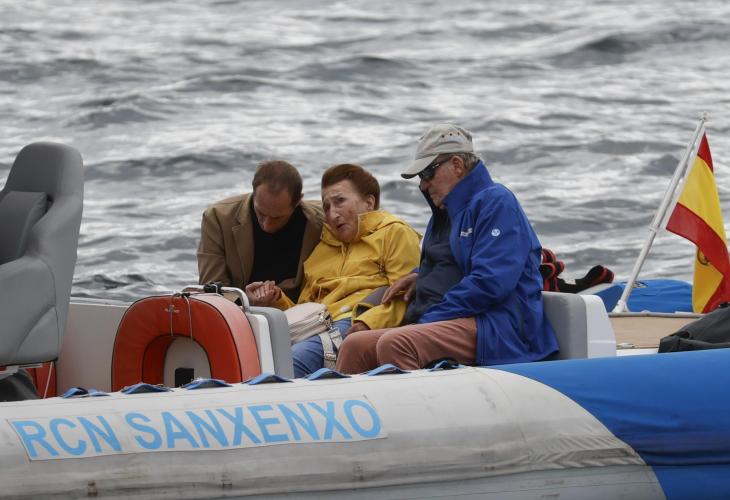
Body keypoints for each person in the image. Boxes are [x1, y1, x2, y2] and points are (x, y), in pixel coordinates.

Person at [335, 124, 559, 373]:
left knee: (397, 343)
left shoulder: (497, 202)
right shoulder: (444, 213)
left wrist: (428, 320)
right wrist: (420, 275)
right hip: (459, 319)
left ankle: (417, 397)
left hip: (499, 327)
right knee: (355, 345)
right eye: (420, 177)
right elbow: (451, 259)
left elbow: (490, 283)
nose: (423, 185)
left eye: (427, 173)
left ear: (457, 165)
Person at [246, 164, 421, 377]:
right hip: (317, 327)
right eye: (326, 206)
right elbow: (306, 309)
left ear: (369, 202)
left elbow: (405, 296)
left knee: (289, 363)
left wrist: (367, 324)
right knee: (251, 359)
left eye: (339, 201)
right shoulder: (321, 250)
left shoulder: (395, 233)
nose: (332, 213)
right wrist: (276, 300)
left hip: (355, 321)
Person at [197, 160, 323, 301]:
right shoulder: (218, 218)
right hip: (237, 308)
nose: (267, 226)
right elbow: (212, 289)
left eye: (277, 218)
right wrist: (246, 300)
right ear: (253, 192)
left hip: (299, 308)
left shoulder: (323, 221)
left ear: (298, 201)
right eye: (261, 213)